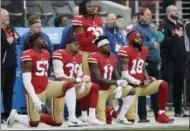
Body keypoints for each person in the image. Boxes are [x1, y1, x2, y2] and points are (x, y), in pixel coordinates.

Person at [6, 33, 86, 128]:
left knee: (68, 85)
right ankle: (15, 116)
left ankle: (72, 119)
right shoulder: (27, 54)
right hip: (34, 91)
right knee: (33, 123)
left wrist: (49, 82)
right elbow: (26, 81)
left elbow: (46, 73)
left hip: (46, 86)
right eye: (41, 38)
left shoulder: (47, 53)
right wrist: (35, 100)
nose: (44, 40)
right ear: (33, 42)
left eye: (44, 38)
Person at [118, 30, 174, 124]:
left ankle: (161, 114)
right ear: (131, 39)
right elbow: (124, 75)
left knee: (163, 84)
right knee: (130, 120)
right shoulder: (125, 50)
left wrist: (147, 78)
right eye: (137, 37)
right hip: (131, 88)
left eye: (141, 37)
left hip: (142, 85)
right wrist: (141, 82)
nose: (140, 39)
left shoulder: (144, 49)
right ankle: (111, 112)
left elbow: (142, 67)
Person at [52, 32, 105, 125]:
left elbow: (80, 74)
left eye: (78, 44)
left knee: (94, 86)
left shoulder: (79, 56)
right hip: (60, 89)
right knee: (57, 122)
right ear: (68, 45)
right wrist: (77, 80)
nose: (78, 46)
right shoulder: (59, 54)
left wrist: (84, 80)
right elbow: (59, 77)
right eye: (75, 44)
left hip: (74, 87)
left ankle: (91, 117)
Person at [87, 36, 135, 125]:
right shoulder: (94, 56)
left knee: (131, 90)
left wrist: (121, 82)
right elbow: (98, 79)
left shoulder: (112, 56)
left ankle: (120, 117)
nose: (109, 46)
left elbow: (115, 74)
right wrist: (117, 82)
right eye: (106, 45)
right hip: (99, 91)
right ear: (100, 47)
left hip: (110, 88)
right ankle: (109, 112)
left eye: (109, 45)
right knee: (102, 123)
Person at [132, 7, 163, 123]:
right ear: (141, 16)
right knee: (143, 89)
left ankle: (157, 115)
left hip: (155, 62)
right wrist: (151, 44)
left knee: (156, 89)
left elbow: (159, 38)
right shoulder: (136, 28)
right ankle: (143, 116)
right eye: (148, 14)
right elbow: (135, 42)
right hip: (145, 63)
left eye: (151, 15)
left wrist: (160, 38)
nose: (150, 16)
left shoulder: (151, 28)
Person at [158, 5, 189, 117]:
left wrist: (185, 56)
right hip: (168, 60)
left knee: (179, 86)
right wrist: (175, 36)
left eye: (177, 10)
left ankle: (178, 110)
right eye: (174, 11)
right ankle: (161, 110)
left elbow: (183, 43)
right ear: (167, 13)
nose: (176, 12)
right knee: (165, 84)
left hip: (180, 60)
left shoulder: (180, 25)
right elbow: (162, 41)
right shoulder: (163, 25)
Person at [72, 0, 104, 76]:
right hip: (85, 52)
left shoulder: (98, 19)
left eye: (93, 6)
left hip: (98, 52)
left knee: (99, 76)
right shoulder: (79, 19)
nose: (93, 8)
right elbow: (82, 42)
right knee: (87, 77)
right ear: (83, 9)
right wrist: (96, 35)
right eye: (90, 6)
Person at [1, 8, 19, 122]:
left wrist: (14, 39)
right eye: (5, 16)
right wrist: (8, 42)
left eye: (8, 16)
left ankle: (8, 115)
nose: (8, 18)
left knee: (8, 91)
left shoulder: (11, 28)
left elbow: (18, 39)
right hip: (1, 66)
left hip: (11, 65)